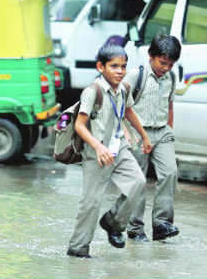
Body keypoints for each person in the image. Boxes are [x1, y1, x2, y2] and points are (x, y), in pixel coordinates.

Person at [67, 45, 152, 258]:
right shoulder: (92, 91)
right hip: (97, 151)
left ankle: (113, 222)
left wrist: (144, 135)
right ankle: (78, 249)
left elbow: (129, 111)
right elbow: (79, 125)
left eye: (123, 66)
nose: (119, 71)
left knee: (138, 182)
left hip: (119, 146)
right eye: (114, 66)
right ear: (101, 67)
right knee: (91, 203)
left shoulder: (123, 88)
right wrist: (97, 146)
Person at [124, 34, 181, 242]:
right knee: (138, 181)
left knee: (170, 173)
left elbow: (170, 104)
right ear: (151, 56)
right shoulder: (134, 76)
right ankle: (135, 228)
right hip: (138, 133)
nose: (166, 68)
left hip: (162, 132)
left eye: (171, 64)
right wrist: (126, 133)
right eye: (162, 63)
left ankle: (161, 224)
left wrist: (170, 130)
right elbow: (120, 106)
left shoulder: (171, 78)